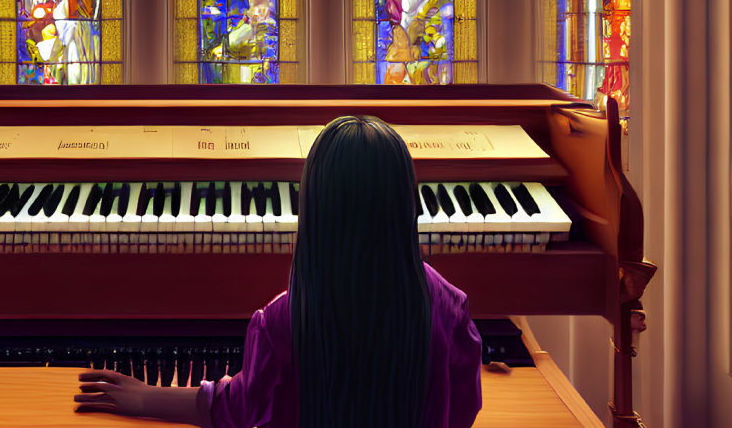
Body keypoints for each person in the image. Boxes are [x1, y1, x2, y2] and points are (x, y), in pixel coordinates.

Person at [73, 116, 483, 428]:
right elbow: (465, 411)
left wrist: (146, 398)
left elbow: (238, 406)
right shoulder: (450, 309)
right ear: (407, 204)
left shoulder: (283, 321)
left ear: (315, 209)